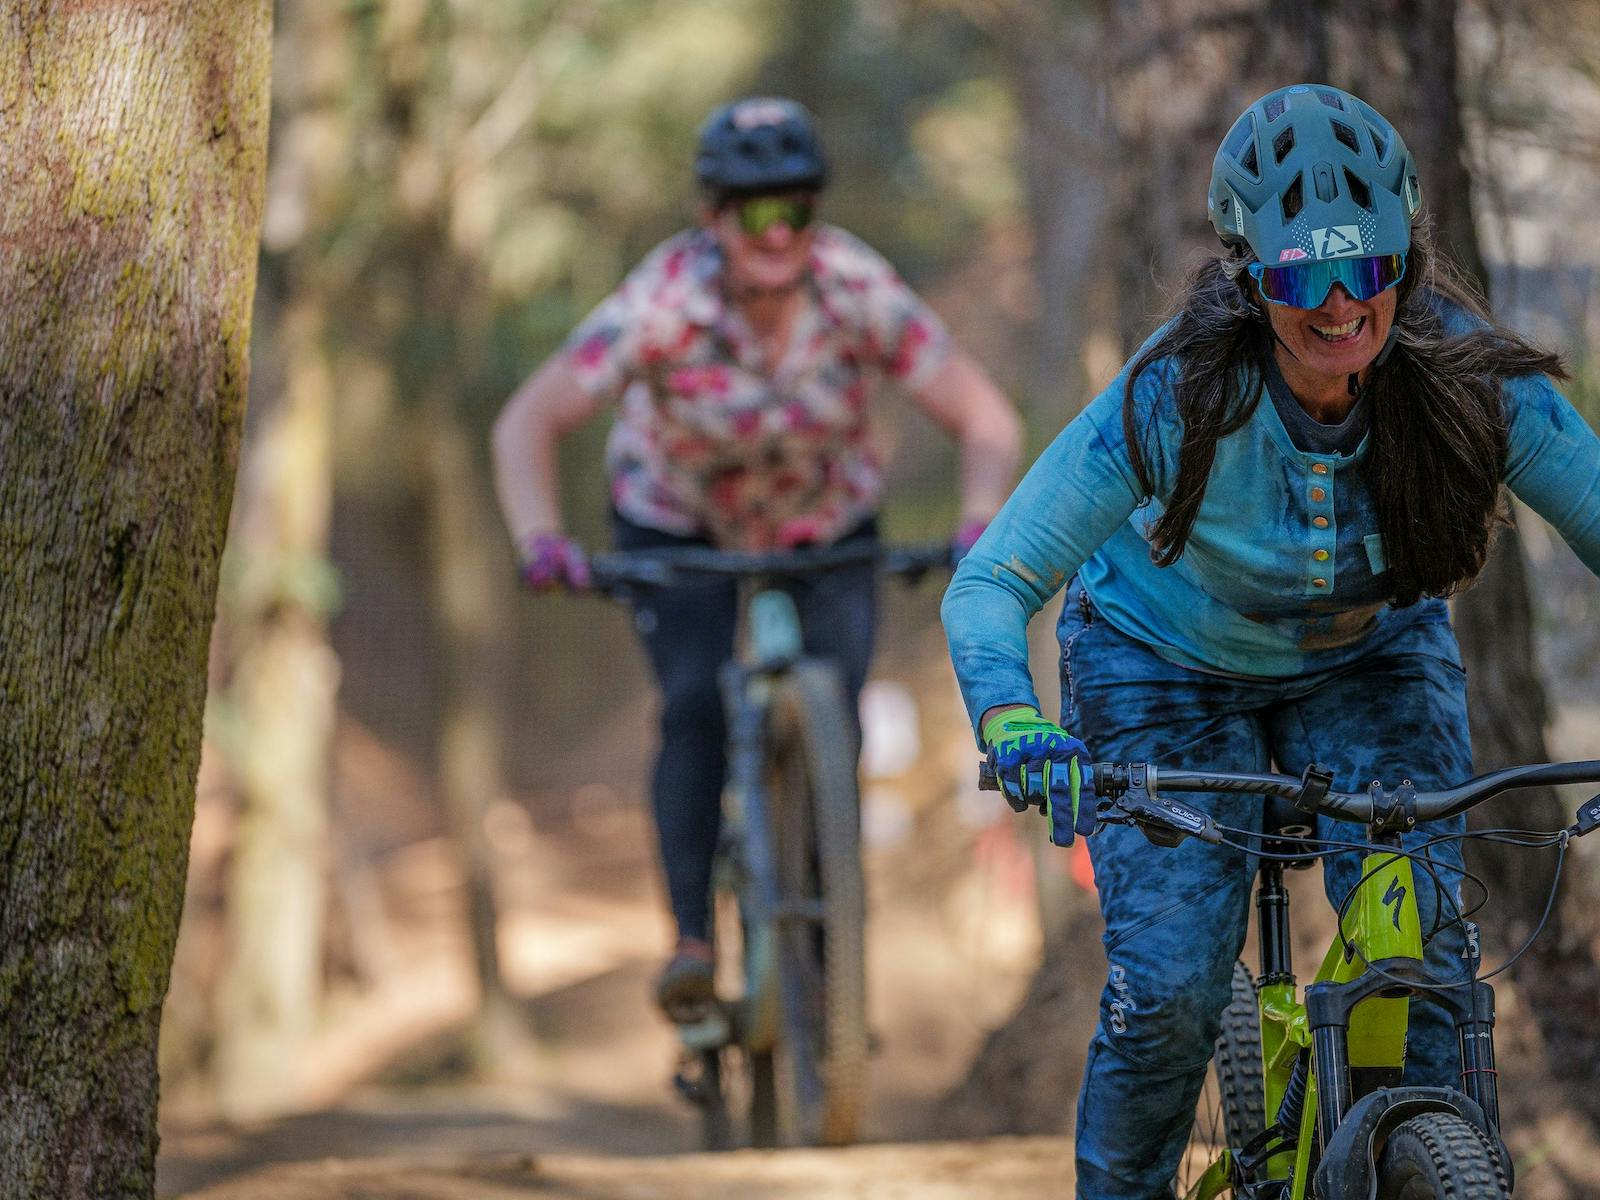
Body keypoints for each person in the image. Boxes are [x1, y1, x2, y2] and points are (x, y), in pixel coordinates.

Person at [941, 83, 1600, 1198]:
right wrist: (1013, 717)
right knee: (1169, 994)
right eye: (1301, 277)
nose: (1341, 305)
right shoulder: (1174, 393)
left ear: (1406, 257)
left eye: (1369, 268)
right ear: (1249, 276)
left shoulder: (1476, 385)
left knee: (1420, 971)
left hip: (1372, 660)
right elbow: (993, 579)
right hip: (1160, 667)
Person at [493, 96, 1022, 1018]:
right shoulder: (664, 300)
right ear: (712, 215)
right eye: (753, 211)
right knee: (694, 702)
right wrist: (541, 539)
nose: (777, 232)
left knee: (841, 715)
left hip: (827, 521)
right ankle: (693, 940)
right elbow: (527, 422)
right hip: (677, 521)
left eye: (797, 209)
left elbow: (986, 418)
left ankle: (827, 956)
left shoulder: (856, 287)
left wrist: (979, 517)